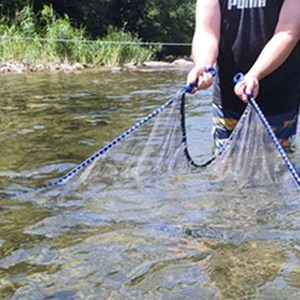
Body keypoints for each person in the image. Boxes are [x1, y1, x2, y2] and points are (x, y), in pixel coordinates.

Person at [187, 0, 300, 153]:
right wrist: (204, 65)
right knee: (226, 165)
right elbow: (206, 32)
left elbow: (288, 32)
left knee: (275, 165)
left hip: (279, 99)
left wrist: (255, 74)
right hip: (228, 100)